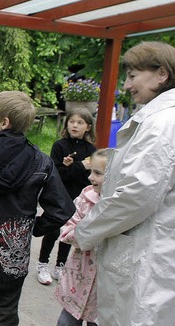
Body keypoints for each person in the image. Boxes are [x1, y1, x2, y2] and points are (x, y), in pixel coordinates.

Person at [0, 91, 75, 325]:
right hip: (14, 254)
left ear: (4, 122)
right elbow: (62, 208)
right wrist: (33, 228)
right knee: (5, 314)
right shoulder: (41, 161)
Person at [74, 41, 175, 325]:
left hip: (148, 260)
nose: (126, 85)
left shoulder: (161, 124)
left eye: (132, 75)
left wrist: (86, 231)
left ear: (161, 75)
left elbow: (136, 195)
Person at [36, 107, 96, 285]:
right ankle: (42, 263)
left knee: (69, 232)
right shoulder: (59, 146)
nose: (75, 126)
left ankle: (60, 265)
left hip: (78, 198)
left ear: (88, 127)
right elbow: (57, 173)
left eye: (80, 123)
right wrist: (79, 167)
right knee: (53, 230)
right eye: (72, 122)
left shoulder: (91, 149)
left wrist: (74, 167)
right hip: (58, 196)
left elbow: (89, 177)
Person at [54, 148, 108, 326]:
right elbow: (67, 229)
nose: (91, 177)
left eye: (98, 173)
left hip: (103, 287)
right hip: (78, 277)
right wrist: (84, 235)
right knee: (66, 322)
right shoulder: (86, 196)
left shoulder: (120, 208)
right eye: (90, 171)